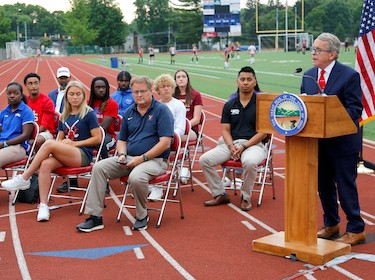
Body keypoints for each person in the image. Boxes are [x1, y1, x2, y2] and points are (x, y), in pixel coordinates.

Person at [76, 76, 174, 232]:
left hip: (154, 160)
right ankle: (95, 217)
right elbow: (122, 140)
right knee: (99, 167)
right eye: (135, 92)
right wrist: (121, 154)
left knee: (136, 177)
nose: (139, 95)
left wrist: (142, 158)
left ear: (151, 91)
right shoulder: (129, 111)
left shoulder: (162, 111)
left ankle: (142, 215)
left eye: (142, 91)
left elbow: (165, 143)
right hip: (129, 158)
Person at [2, 81, 102, 222]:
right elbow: (60, 138)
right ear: (66, 96)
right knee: (45, 164)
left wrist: (74, 143)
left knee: (49, 144)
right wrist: (57, 148)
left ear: (83, 96)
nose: (75, 97)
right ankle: (43, 205)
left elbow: (97, 138)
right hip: (66, 153)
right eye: (71, 94)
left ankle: (24, 178)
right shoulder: (65, 115)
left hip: (82, 154)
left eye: (78, 94)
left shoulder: (88, 114)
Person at [301, 32, 365, 245]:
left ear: (332, 54)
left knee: (345, 186)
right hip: (318, 143)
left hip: (343, 143)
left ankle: (356, 228)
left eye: (318, 50)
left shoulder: (349, 75)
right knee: (324, 186)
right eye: (313, 49)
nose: (313, 53)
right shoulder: (308, 75)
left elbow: (355, 109)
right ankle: (331, 224)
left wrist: (330, 109)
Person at [199, 66, 267, 211]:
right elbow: (225, 129)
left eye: (249, 79)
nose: (245, 82)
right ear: (237, 81)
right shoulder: (229, 105)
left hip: (254, 145)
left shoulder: (262, 104)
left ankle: (246, 197)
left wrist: (244, 147)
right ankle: (220, 193)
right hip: (231, 145)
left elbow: (263, 133)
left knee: (249, 162)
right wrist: (231, 146)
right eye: (242, 79)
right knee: (205, 160)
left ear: (255, 82)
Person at [148, 74, 186, 201]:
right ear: (158, 90)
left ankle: (158, 186)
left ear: (173, 88)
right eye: (162, 87)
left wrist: (166, 136)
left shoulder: (178, 105)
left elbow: (180, 128)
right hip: (155, 138)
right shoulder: (155, 106)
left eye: (168, 86)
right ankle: (146, 179)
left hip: (171, 139)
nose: (166, 89)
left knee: (160, 149)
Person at [0, 82, 34, 168]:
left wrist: (4, 144)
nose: (12, 96)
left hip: (18, 148)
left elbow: (25, 135)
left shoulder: (26, 111)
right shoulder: (4, 112)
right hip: (3, 145)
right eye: (9, 93)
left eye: (15, 93)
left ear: (21, 95)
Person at [24, 73, 56, 151]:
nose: (34, 86)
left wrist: (31, 137)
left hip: (45, 132)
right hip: (28, 132)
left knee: (37, 141)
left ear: (39, 84)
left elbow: (44, 126)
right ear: (26, 85)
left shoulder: (47, 101)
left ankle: (37, 161)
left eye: (36, 83)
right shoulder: (25, 102)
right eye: (30, 83)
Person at [88, 77, 118, 159]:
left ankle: (104, 166)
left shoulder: (112, 104)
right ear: (93, 89)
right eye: (98, 87)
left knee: (99, 142)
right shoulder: (87, 103)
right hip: (90, 136)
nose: (101, 90)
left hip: (107, 137)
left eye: (103, 87)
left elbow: (103, 127)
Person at [174, 69, 203, 143]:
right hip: (174, 128)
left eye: (183, 77)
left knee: (173, 139)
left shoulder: (196, 95)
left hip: (190, 129)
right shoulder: (172, 95)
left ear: (187, 79)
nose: (181, 79)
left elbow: (196, 119)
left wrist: (183, 126)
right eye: (178, 77)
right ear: (175, 80)